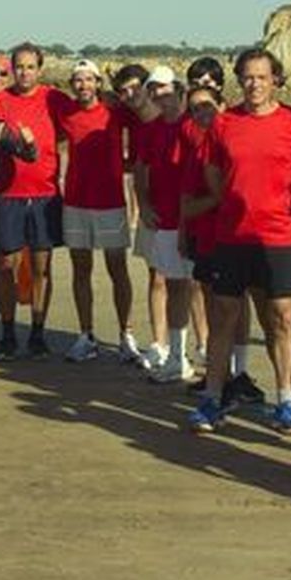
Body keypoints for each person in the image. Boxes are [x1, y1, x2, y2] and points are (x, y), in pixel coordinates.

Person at [186, 49, 291, 434]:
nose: (255, 84)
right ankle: (212, 399)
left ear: (276, 79)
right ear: (239, 82)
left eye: (262, 77)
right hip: (232, 236)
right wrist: (232, 199)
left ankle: (286, 401)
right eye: (248, 78)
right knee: (224, 317)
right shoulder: (224, 124)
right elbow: (211, 168)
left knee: (281, 319)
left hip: (278, 237)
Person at [0, 42, 71, 360]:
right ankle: (8, 333)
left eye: (30, 67)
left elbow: (76, 125)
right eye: (19, 66)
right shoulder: (0, 100)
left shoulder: (53, 97)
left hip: (45, 195)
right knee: (6, 266)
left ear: (40, 69)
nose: (24, 72)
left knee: (41, 267)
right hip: (8, 194)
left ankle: (37, 332)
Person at [57, 59, 138, 363]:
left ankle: (125, 335)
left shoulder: (115, 112)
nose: (83, 85)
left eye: (89, 80)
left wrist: (133, 167)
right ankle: (85, 335)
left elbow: (145, 124)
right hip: (76, 202)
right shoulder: (65, 112)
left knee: (118, 269)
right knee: (81, 270)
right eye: (78, 80)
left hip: (111, 203)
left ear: (98, 83)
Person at [133, 66, 201, 383]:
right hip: (165, 221)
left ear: (178, 88)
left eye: (164, 88)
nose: (159, 95)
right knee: (174, 286)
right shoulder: (151, 129)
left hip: (197, 220)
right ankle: (177, 356)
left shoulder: (194, 125)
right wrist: (144, 206)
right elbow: (141, 170)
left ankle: (220, 361)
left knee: (203, 289)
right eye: (153, 90)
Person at [112, 62, 167, 367]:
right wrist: (142, 206)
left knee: (192, 283)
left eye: (136, 87)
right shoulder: (134, 124)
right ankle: (159, 343)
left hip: (182, 209)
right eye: (124, 91)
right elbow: (138, 170)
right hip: (153, 210)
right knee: (156, 276)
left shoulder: (171, 117)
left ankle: (200, 344)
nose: (131, 95)